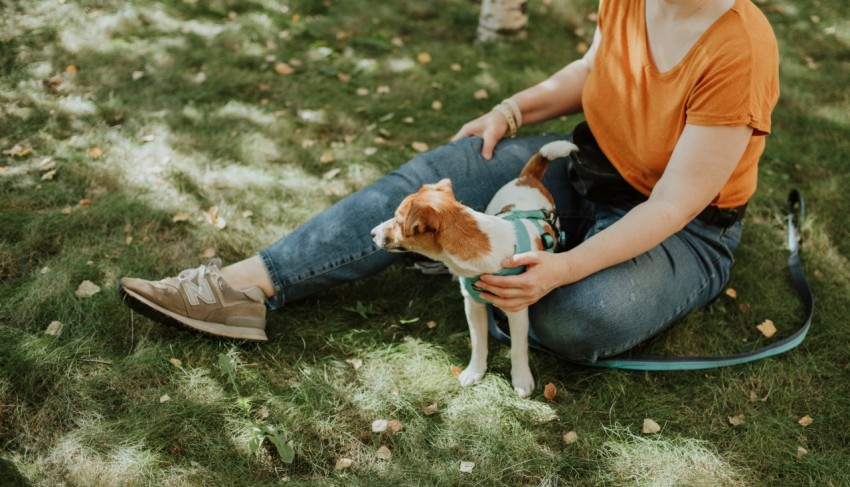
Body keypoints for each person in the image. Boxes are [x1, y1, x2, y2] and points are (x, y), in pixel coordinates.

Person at [120, 0, 779, 363]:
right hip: (585, 170)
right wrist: (511, 111)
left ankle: (476, 260)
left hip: (680, 234)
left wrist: (565, 268)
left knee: (577, 315)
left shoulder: (740, 47)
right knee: (447, 172)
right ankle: (241, 288)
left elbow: (670, 204)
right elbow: (596, 68)